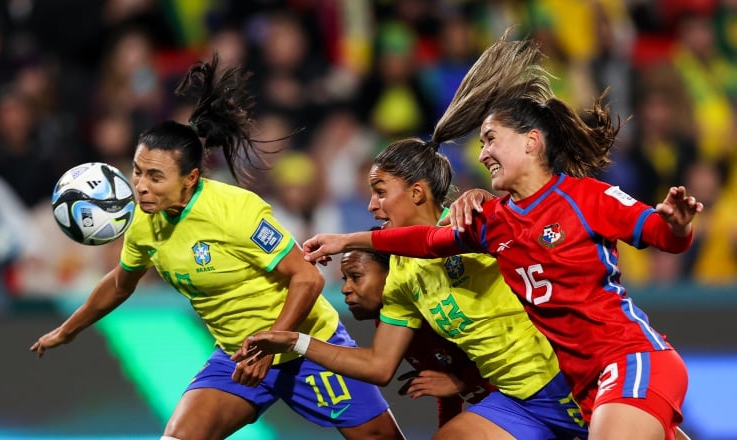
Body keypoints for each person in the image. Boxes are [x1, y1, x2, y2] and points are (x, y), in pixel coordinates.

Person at [296, 42, 702, 440]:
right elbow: (429, 241)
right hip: (582, 385)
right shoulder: (492, 222)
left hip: (629, 359)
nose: (483, 151)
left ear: (531, 141)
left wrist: (678, 225)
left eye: (491, 138)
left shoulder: (586, 197)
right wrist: (346, 240)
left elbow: (661, 234)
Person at [29, 54, 405, 440]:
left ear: (191, 178)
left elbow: (307, 278)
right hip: (238, 355)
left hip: (307, 347)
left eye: (155, 176)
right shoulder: (141, 221)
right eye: (138, 171)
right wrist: (68, 330)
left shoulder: (235, 210)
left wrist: (271, 347)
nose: (140, 185)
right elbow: (120, 284)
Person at [235, 134, 590, 439]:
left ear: (417, 192)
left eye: (380, 192)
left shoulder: (468, 221)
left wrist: (345, 240)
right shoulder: (402, 274)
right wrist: (294, 341)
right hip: (516, 400)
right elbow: (379, 365)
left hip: (568, 378)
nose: (372, 205)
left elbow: (434, 241)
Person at [339, 246, 494, 427]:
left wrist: (464, 383)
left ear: (393, 272)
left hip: (525, 407)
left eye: (355, 277)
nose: (345, 288)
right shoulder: (390, 322)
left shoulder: (442, 306)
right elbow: (443, 383)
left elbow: (515, 360)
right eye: (345, 279)